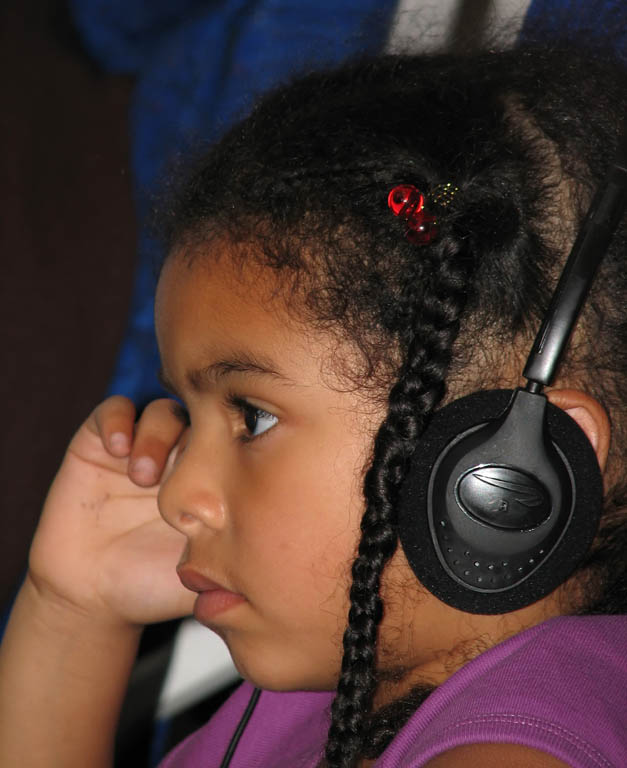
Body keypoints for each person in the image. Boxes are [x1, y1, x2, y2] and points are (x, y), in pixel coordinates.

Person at [0, 31, 625, 768]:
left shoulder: (517, 749)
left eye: (250, 416)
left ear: (508, 464)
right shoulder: (345, 680)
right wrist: (74, 609)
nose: (179, 496)